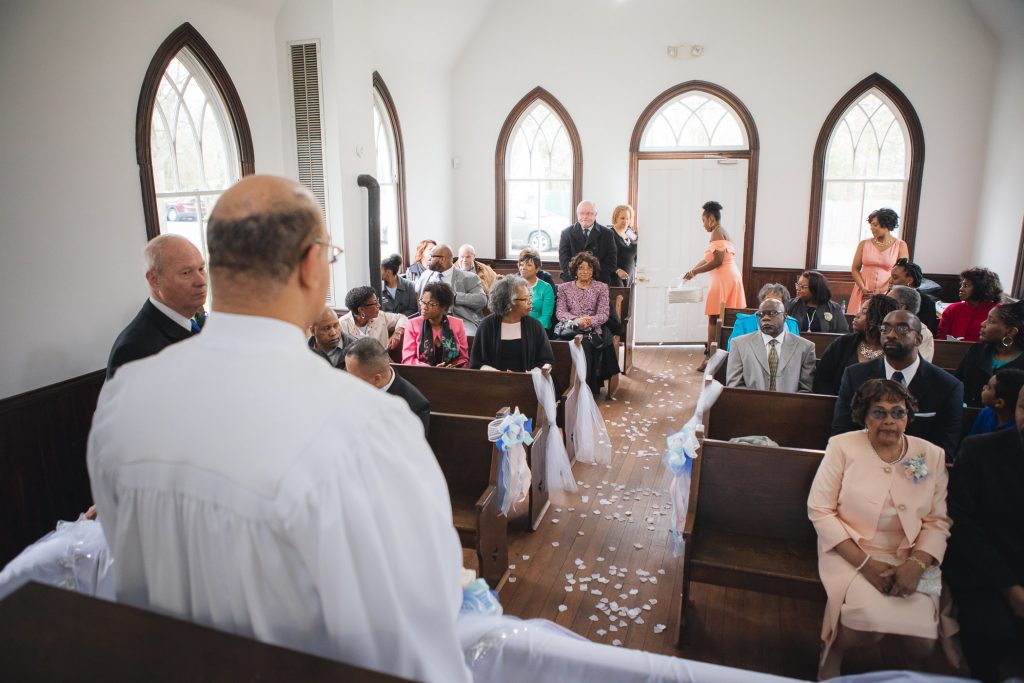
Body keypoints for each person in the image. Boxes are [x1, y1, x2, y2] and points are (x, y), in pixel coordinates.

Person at [87, 175, 470, 682]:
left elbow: (123, 554)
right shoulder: (368, 426)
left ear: (217, 265)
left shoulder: (123, 400)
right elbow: (415, 624)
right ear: (313, 265)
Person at [809, 379, 951, 680]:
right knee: (867, 626)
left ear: (908, 417)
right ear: (864, 416)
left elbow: (937, 521)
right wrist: (865, 564)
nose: (889, 420)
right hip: (850, 549)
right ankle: (833, 647)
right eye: (879, 412)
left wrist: (916, 564)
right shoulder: (843, 446)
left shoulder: (930, 456)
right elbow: (820, 510)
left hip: (909, 554)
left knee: (923, 642)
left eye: (898, 413)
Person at [945, 384, 1024, 683]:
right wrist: (1011, 589)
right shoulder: (981, 450)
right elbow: (962, 524)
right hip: (986, 568)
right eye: (1023, 408)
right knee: (990, 632)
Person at [832, 310, 964, 460]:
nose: (891, 335)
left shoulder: (947, 386)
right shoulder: (855, 376)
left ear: (918, 339)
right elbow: (842, 430)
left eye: (902, 329)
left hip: (917, 472)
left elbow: (944, 448)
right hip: (863, 464)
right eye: (885, 329)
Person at [106, 234, 207, 379]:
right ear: (154, 280)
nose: (201, 281)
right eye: (186, 273)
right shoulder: (135, 350)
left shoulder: (187, 323)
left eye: (201, 269)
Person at [682, 200, 746, 372]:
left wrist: (696, 272)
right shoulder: (721, 231)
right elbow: (709, 258)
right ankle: (721, 356)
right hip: (731, 277)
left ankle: (710, 357)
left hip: (723, 279)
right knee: (725, 318)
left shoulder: (716, 233)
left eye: (703, 221)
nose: (703, 225)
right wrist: (693, 270)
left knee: (714, 318)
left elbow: (717, 261)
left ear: (710, 218)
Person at [555, 251, 620, 394]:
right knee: (559, 347)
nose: (585, 271)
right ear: (575, 270)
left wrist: (588, 321)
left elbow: (604, 314)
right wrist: (576, 321)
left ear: (593, 270)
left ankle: (586, 388)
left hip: (592, 330)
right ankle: (563, 388)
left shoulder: (601, 287)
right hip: (569, 329)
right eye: (581, 267)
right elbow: (560, 312)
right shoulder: (564, 288)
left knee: (584, 345)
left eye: (589, 268)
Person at [814, 295, 900, 396]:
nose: (857, 315)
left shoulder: (894, 349)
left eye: (864, 312)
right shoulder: (843, 343)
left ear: (879, 318)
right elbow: (821, 379)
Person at [726, 298, 816, 392]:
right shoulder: (739, 345)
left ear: (785, 317)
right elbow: (734, 386)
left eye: (772, 313)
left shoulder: (805, 348)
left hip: (790, 405)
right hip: (750, 405)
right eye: (761, 315)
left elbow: (806, 390)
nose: (765, 318)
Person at [345, 337, 430, 435]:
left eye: (353, 377)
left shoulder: (414, 406)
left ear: (377, 379)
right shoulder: (349, 389)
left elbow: (410, 448)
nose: (348, 380)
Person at [470, 275, 555, 372]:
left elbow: (546, 361)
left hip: (528, 383)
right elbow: (476, 363)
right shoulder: (487, 325)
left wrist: (531, 374)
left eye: (530, 297)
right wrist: (501, 375)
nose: (530, 302)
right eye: (524, 299)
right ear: (508, 302)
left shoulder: (535, 325)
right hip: (494, 383)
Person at [955, 300, 1024, 406]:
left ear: (1011, 331)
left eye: (991, 321)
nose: (982, 324)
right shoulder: (977, 350)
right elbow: (957, 383)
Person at [847, 208, 910, 314]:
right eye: (871, 225)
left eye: (875, 225)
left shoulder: (901, 245)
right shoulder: (864, 244)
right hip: (863, 290)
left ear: (887, 225)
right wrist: (862, 288)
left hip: (888, 292)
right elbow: (855, 268)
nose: (872, 228)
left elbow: (902, 273)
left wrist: (881, 290)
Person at [415, 244, 486, 334]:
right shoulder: (426, 275)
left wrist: (455, 297)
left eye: (432, 256)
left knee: (468, 336)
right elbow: (417, 294)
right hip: (430, 319)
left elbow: (481, 300)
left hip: (461, 320)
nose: (429, 259)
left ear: (442, 259)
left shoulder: (469, 277)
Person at [402, 281, 469, 368]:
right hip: (421, 375)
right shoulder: (413, 324)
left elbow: (464, 359)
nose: (424, 307)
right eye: (422, 302)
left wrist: (453, 367)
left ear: (444, 307)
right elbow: (407, 360)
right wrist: (432, 370)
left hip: (452, 376)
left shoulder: (457, 324)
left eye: (431, 304)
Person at [558, 200, 617, 285]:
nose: (585, 216)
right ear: (577, 214)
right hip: (573, 282)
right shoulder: (566, 233)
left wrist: (592, 279)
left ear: (595, 215)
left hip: (599, 282)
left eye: (589, 213)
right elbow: (564, 261)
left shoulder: (607, 234)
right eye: (581, 213)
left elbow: (611, 261)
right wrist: (578, 279)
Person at [726, 283, 799, 351]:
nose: (771, 304)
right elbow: (733, 350)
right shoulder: (743, 323)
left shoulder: (791, 323)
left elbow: (796, 351)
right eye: (768, 300)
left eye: (776, 302)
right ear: (761, 303)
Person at [938, 267, 1003, 342]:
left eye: (966, 286)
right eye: (962, 285)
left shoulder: (997, 311)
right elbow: (941, 337)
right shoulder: (953, 309)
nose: (961, 289)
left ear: (980, 288)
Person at [339, 285, 407, 350]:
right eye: (375, 303)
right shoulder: (342, 325)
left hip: (382, 360)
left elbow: (402, 318)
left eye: (378, 301)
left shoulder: (381, 316)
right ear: (361, 309)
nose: (379, 305)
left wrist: (397, 334)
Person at [966, 368, 1024, 436]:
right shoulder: (986, 413)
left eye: (988, 387)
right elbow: (972, 440)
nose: (984, 387)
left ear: (999, 403)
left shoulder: (1018, 430)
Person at [889, 258, 938, 334]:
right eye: (891, 277)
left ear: (909, 281)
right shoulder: (888, 297)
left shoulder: (926, 302)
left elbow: (928, 331)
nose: (890, 281)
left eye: (895, 277)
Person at [888, 285, 934, 362]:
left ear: (901, 307)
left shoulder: (922, 332)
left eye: (888, 301)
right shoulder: (881, 324)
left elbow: (922, 364)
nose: (884, 304)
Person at [517, 249, 555, 331]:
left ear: (537, 269)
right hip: (515, 327)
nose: (523, 268)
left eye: (528, 265)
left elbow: (546, 317)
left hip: (538, 329)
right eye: (521, 264)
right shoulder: (512, 286)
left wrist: (527, 328)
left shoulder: (546, 288)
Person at [608, 204, 638, 287]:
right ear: (616, 218)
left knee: (630, 300)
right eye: (622, 218)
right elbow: (604, 258)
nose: (625, 221)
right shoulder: (610, 234)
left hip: (630, 277)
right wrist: (617, 270)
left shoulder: (630, 233)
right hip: (615, 278)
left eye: (628, 218)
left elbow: (637, 252)